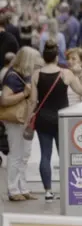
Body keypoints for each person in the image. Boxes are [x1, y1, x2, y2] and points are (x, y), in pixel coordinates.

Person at [26, 40, 82, 202]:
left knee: (45, 155)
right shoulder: (65, 74)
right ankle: (66, 188)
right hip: (63, 119)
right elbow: (81, 90)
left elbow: (33, 101)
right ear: (56, 57)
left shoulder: (36, 75)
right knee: (64, 155)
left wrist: (27, 120)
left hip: (43, 119)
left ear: (44, 57)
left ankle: (47, 191)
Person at [1, 47, 42, 201]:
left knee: (24, 154)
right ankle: (13, 189)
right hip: (15, 120)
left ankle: (22, 187)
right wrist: (24, 94)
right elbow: (4, 99)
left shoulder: (24, 75)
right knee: (16, 153)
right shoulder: (13, 76)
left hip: (24, 119)